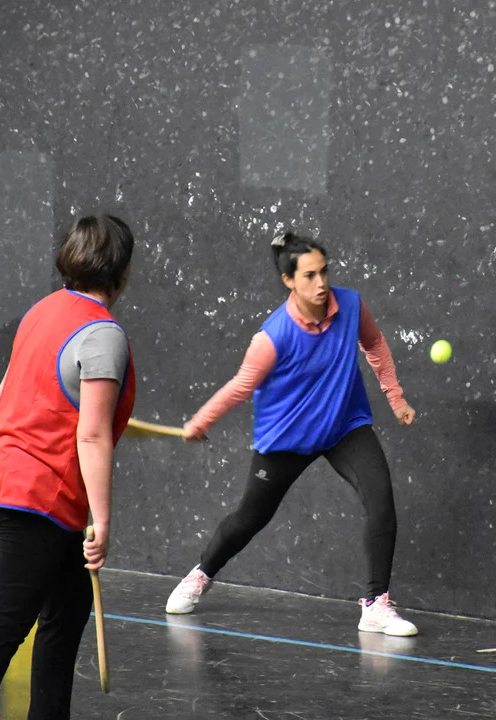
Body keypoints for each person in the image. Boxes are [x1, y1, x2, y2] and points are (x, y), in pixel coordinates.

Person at [167, 230, 419, 636]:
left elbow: (375, 345)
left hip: (343, 426)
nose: (321, 284)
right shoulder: (273, 336)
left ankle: (376, 604)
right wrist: (202, 420)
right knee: (250, 518)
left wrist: (396, 398)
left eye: (324, 272)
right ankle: (201, 573)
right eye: (309, 276)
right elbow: (241, 386)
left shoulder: (351, 305)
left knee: (381, 500)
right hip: (288, 437)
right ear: (289, 280)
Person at [0, 215, 137, 719]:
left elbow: (13, 389)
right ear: (122, 273)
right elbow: (91, 435)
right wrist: (103, 523)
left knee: (67, 610)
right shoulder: (104, 335)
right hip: (40, 496)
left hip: (7, 477)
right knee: (3, 625)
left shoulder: (42, 310)